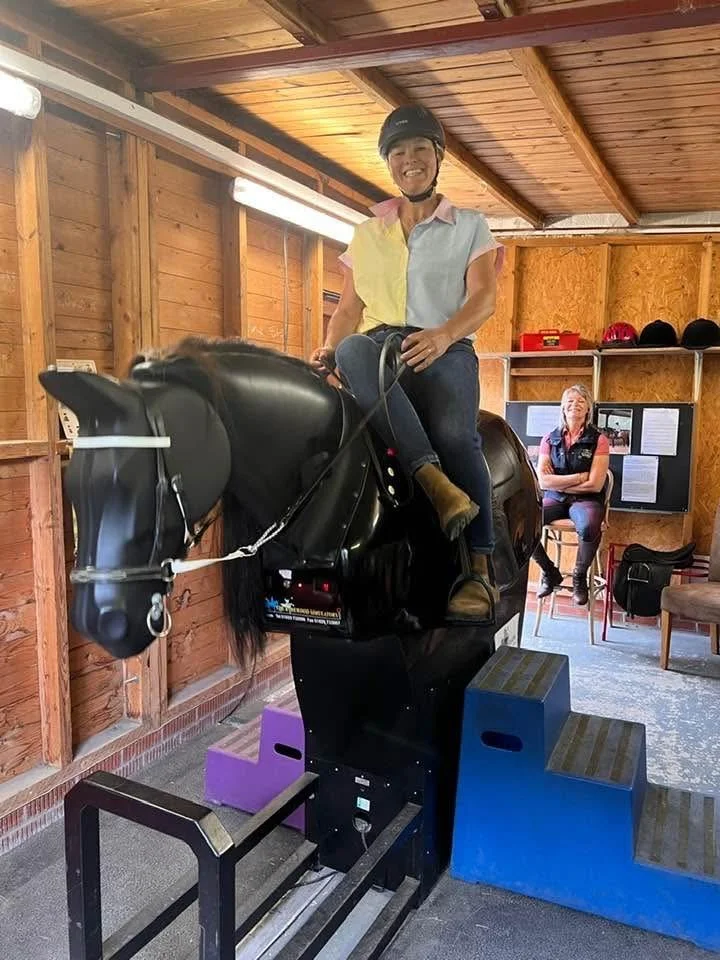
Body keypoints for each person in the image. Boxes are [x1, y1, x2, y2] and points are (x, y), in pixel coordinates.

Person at [310, 105, 503, 624]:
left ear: (438, 158)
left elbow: (484, 298)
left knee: (458, 436)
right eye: (398, 152)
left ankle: (479, 568)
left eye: (420, 149)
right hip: (376, 351)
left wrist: (443, 336)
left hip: (442, 345)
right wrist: (329, 347)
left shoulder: (470, 227)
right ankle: (434, 485)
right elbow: (349, 308)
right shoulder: (366, 233)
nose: (409, 160)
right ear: (389, 164)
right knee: (352, 352)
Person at [533, 385, 610, 606]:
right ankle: (550, 572)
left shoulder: (599, 440)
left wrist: (560, 483)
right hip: (554, 497)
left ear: (588, 408)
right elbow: (543, 481)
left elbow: (595, 485)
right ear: (562, 407)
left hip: (586, 500)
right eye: (569, 400)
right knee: (526, 522)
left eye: (580, 401)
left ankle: (579, 577)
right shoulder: (549, 438)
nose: (574, 404)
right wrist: (577, 478)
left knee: (589, 525)